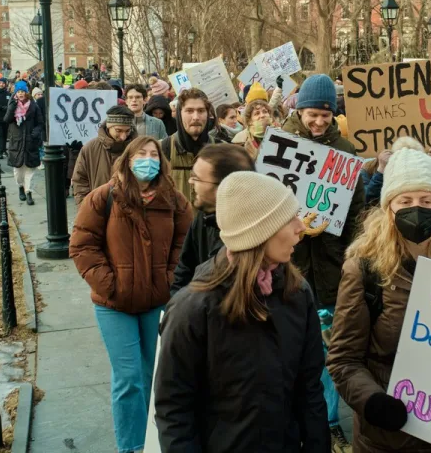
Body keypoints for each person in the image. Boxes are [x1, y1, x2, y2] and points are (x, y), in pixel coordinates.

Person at [326, 137, 431, 453]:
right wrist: (373, 401)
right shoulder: (364, 268)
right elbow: (343, 360)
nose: (416, 209)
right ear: (389, 207)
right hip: (387, 438)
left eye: (427, 201)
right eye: (405, 200)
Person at [154, 171, 327, 452]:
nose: (301, 227)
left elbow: (310, 389)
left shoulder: (297, 293)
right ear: (259, 232)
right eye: (289, 219)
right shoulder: (193, 310)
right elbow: (174, 410)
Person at [70, 135, 193, 453]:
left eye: (154, 154)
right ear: (127, 159)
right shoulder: (103, 198)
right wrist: (110, 285)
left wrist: (168, 280)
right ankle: (131, 447)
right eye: (141, 153)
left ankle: (155, 442)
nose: (148, 159)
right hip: (114, 305)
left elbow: (185, 243)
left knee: (155, 376)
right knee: (128, 378)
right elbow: (83, 245)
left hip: (157, 301)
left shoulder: (174, 200)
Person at [281, 73, 365, 450]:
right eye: (312, 114)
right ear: (299, 111)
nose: (318, 122)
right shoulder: (279, 148)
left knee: (329, 354)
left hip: (332, 270)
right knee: (289, 353)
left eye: (325, 116)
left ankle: (329, 423)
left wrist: (349, 256)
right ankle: (291, 423)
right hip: (287, 268)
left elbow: (358, 216)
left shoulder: (346, 152)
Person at [170, 143, 255, 294]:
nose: (190, 182)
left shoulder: (255, 235)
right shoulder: (202, 219)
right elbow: (184, 270)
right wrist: (177, 307)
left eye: (197, 178)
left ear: (224, 186)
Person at [72, 106, 137, 205]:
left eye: (127, 131)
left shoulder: (138, 147)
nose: (123, 137)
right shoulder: (90, 148)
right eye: (118, 131)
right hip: (97, 209)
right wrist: (85, 208)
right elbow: (80, 181)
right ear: (109, 127)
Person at [160, 88, 215, 204]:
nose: (196, 117)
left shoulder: (221, 150)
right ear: (179, 114)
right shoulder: (161, 149)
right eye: (189, 111)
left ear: (207, 113)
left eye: (201, 111)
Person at [5, 83, 45, 205]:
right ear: (16, 93)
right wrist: (12, 107)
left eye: (23, 91)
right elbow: (6, 120)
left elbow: (40, 122)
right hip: (16, 141)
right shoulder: (12, 104)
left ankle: (28, 192)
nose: (21, 93)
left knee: (30, 170)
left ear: (26, 92)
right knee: (18, 171)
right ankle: (20, 187)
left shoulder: (33, 105)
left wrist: (36, 132)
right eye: (18, 91)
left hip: (30, 141)